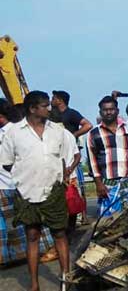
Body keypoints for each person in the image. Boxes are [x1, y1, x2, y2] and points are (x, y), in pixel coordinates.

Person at [0, 91, 77, 291]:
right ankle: (34, 284)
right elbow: (7, 163)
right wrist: (24, 177)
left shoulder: (58, 131)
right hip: (27, 194)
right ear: (33, 108)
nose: (49, 108)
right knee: (32, 236)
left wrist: (62, 175)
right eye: (45, 105)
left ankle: (65, 280)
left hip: (54, 194)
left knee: (60, 234)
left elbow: (70, 157)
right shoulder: (14, 133)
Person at [87, 96, 128, 217]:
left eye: (111, 109)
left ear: (117, 111)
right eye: (105, 110)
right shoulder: (94, 134)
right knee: (108, 221)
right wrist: (98, 183)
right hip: (108, 183)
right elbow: (92, 161)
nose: (109, 112)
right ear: (100, 112)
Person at [50, 90, 92, 226]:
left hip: (70, 158)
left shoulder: (71, 113)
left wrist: (75, 134)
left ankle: (82, 215)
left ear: (60, 100)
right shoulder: (57, 119)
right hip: (70, 158)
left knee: (76, 189)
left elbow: (88, 124)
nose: (51, 100)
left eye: (53, 98)